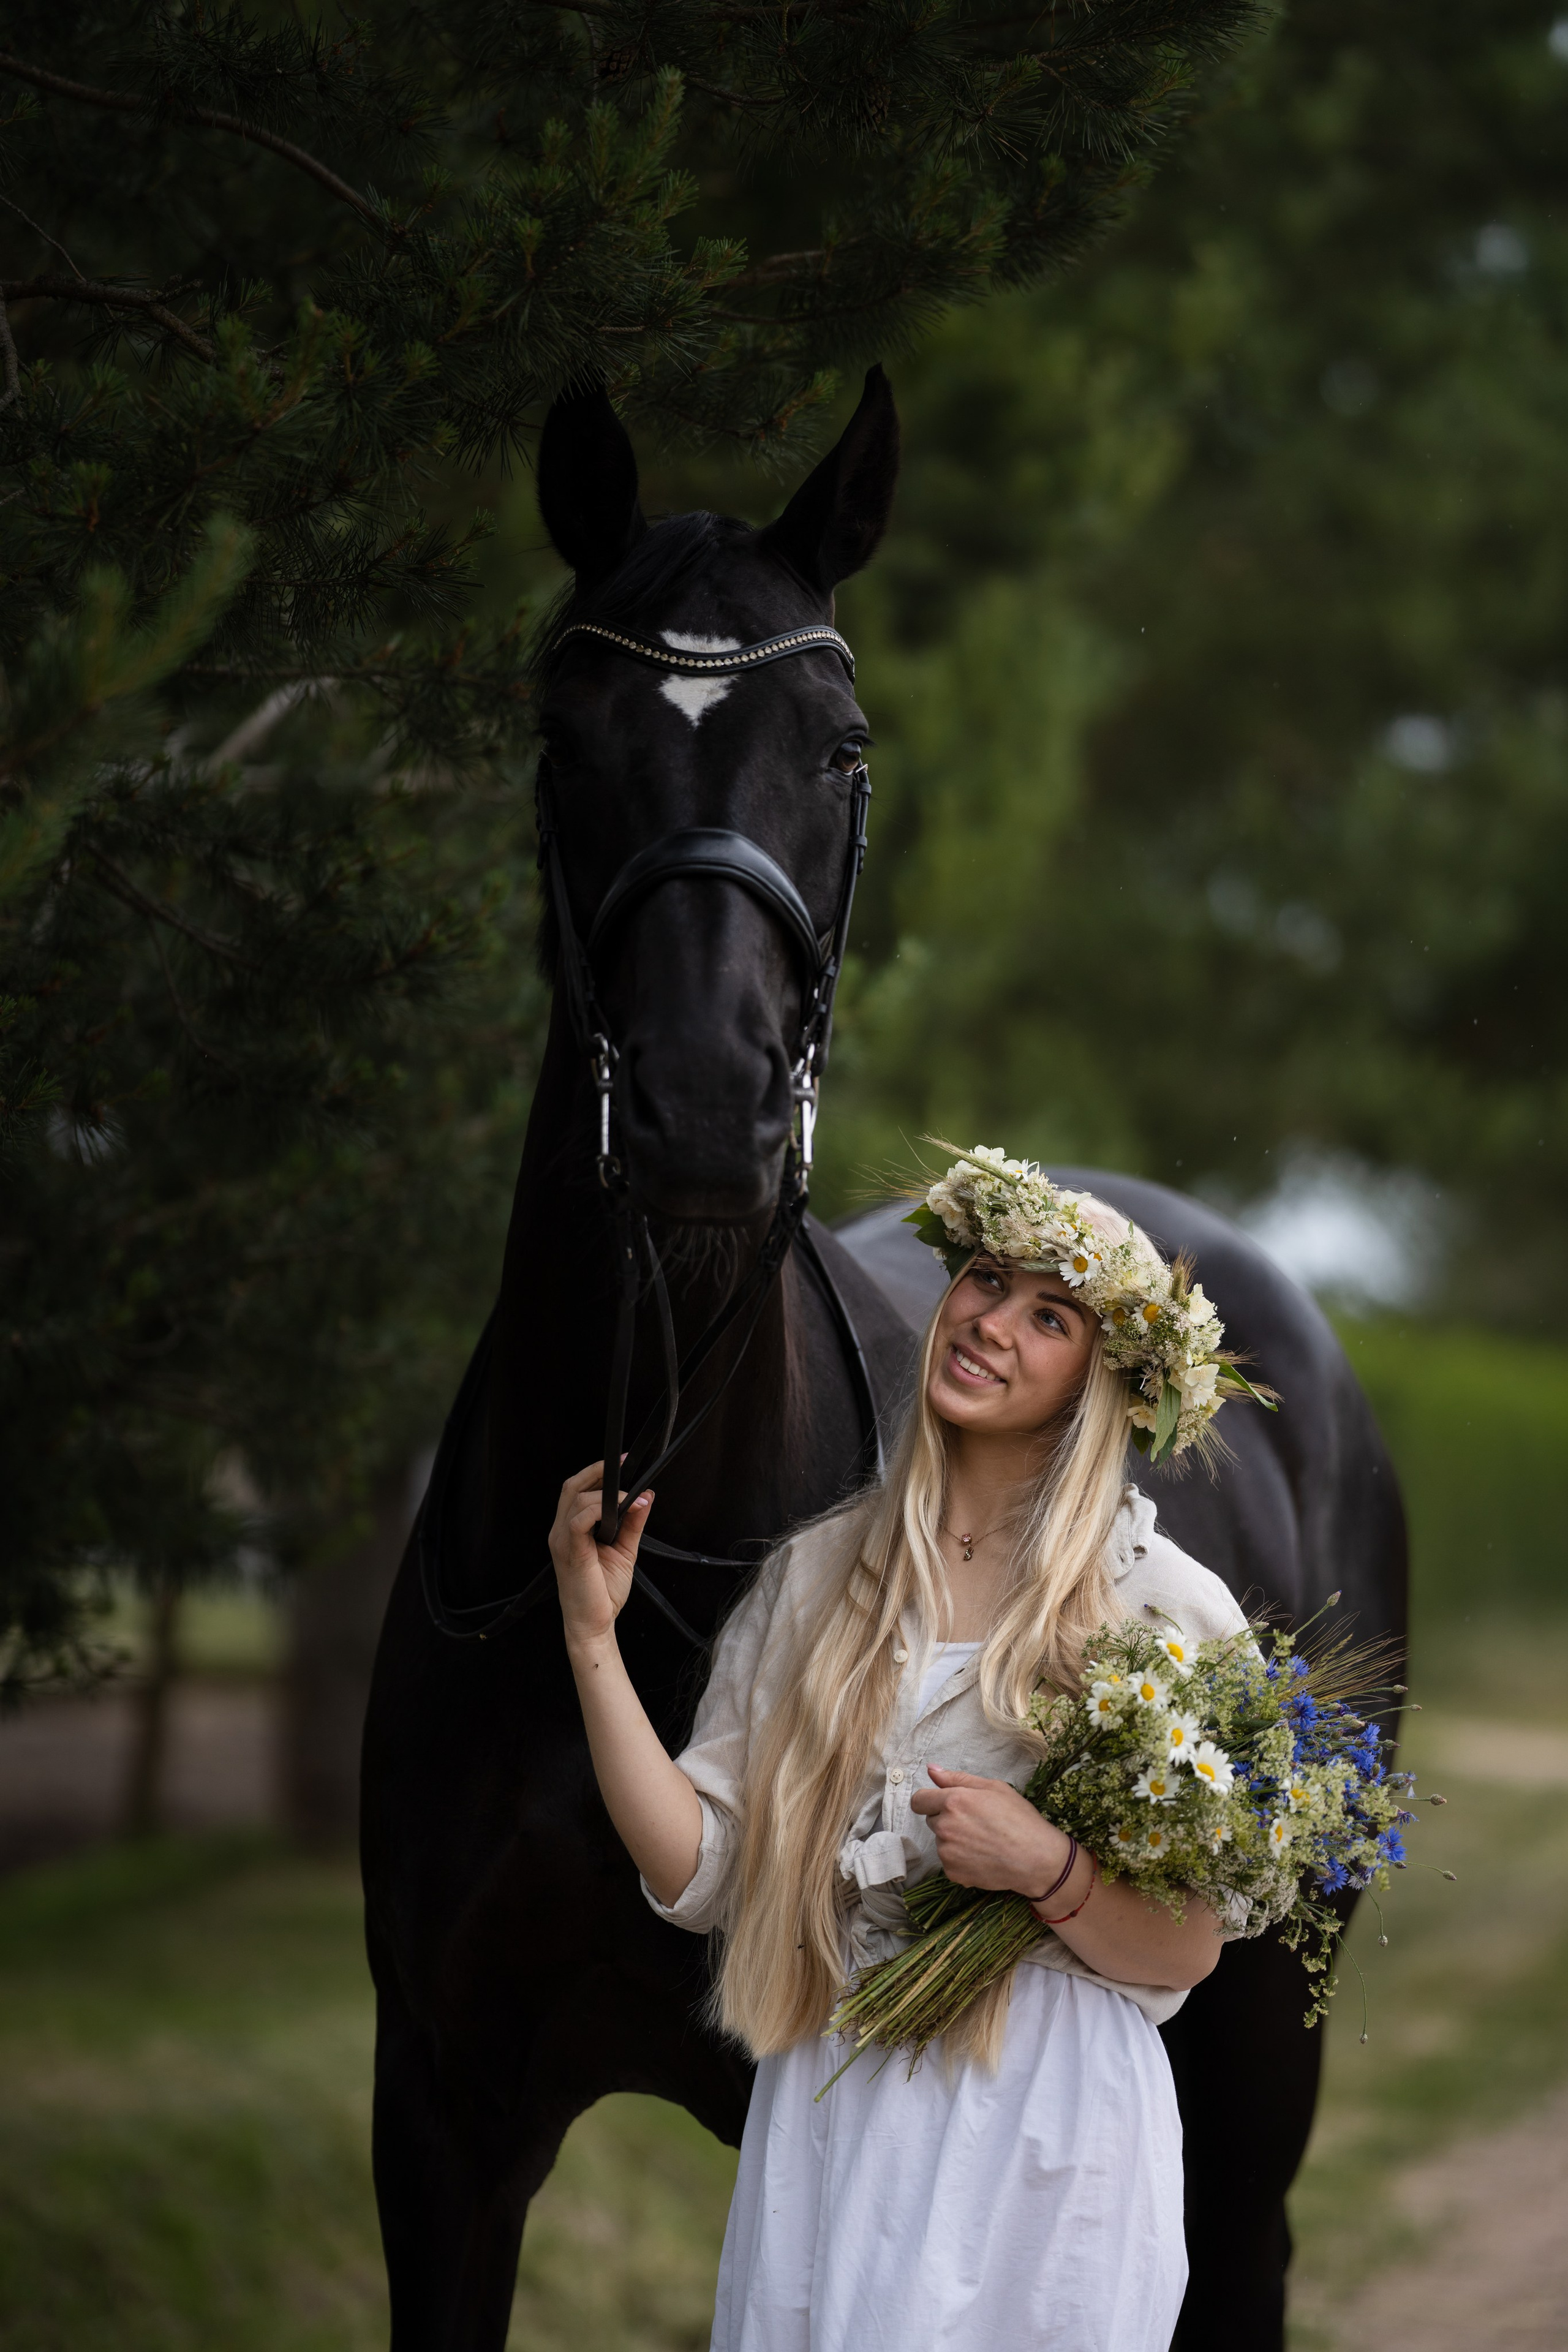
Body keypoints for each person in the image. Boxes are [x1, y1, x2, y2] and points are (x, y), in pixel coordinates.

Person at [549, 1150, 1256, 2351]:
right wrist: (589, 1636)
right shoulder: (819, 1579)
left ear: (1101, 1376)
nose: (988, 1322)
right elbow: (699, 1869)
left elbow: (1187, 1947)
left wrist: (1045, 1867)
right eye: (983, 1280)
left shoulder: (1165, 1612)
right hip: (839, 2112)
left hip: (1050, 2132)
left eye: (1048, 1314)